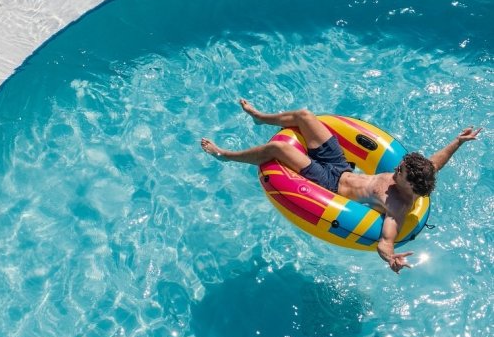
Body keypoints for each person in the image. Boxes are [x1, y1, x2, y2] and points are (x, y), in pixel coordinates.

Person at [200, 99, 481, 274]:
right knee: (304, 115)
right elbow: (435, 163)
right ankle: (261, 118)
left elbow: (385, 241)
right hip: (341, 166)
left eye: (400, 171)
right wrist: (458, 142)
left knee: (278, 149)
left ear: (409, 184)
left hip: (329, 183)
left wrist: (391, 259)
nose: (396, 169)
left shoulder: (397, 205)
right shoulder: (416, 175)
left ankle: (225, 154)